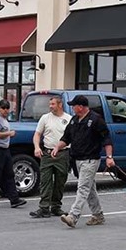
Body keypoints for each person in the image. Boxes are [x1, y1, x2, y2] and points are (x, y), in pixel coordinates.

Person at [51, 95, 115, 228]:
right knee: (89, 188)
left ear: (80, 106)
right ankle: (98, 215)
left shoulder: (96, 120)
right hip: (77, 159)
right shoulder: (74, 120)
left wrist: (109, 157)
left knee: (83, 187)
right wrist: (57, 147)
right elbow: (66, 137)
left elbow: (107, 139)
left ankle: (73, 216)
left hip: (90, 160)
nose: (72, 108)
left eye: (74, 105)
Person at [30, 96, 72, 218]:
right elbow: (37, 134)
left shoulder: (68, 119)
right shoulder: (45, 118)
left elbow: (72, 137)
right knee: (45, 181)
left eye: (53, 104)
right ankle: (43, 207)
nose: (50, 106)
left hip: (63, 153)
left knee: (60, 181)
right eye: (50, 104)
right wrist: (37, 147)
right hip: (47, 153)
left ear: (60, 105)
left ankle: (56, 206)